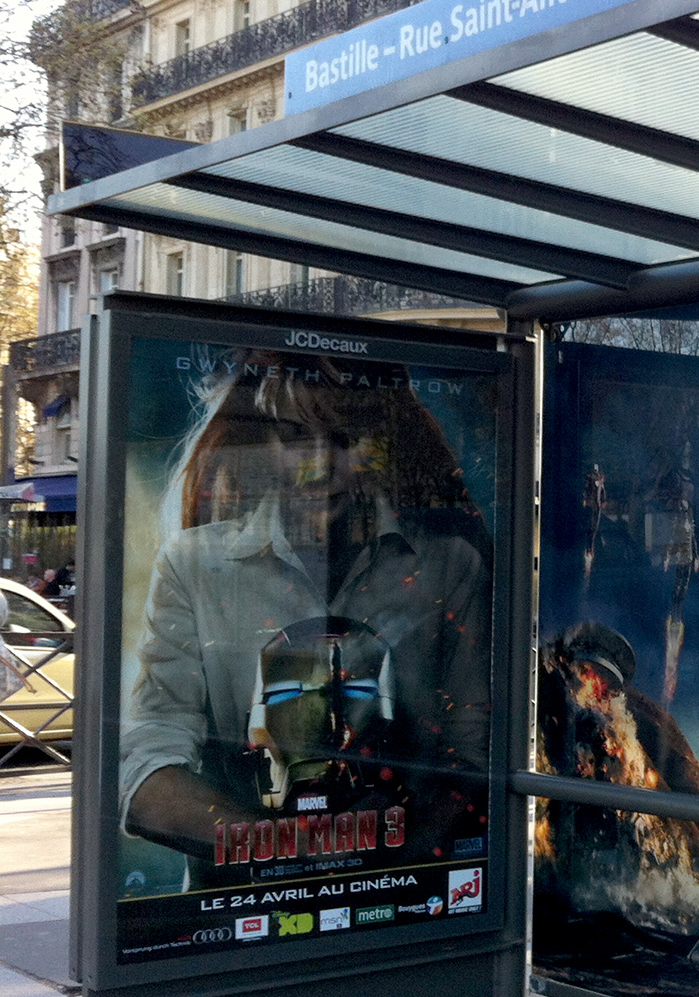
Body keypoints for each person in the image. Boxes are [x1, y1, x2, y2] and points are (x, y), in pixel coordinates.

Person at [118, 351, 492, 884]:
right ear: (265, 444)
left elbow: (474, 755)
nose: (320, 466)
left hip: (406, 898)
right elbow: (145, 767)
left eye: (344, 437)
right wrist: (291, 849)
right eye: (296, 436)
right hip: (242, 907)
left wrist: (385, 857)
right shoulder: (194, 566)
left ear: (379, 444)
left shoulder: (448, 567)